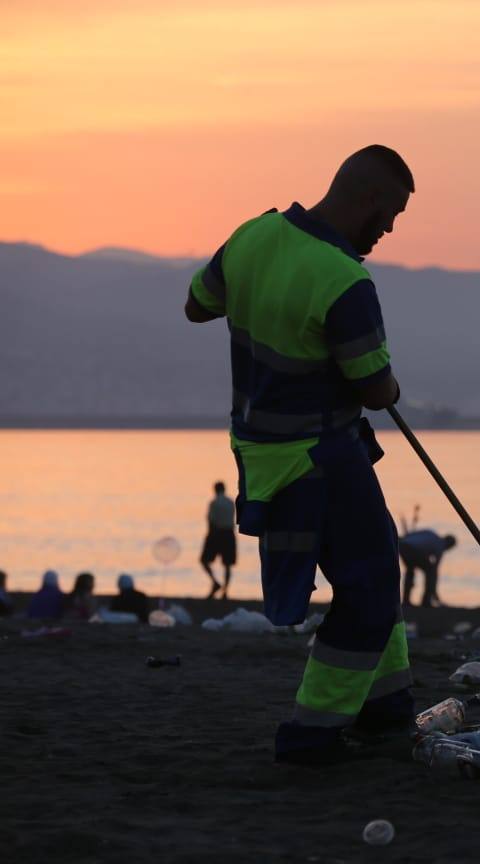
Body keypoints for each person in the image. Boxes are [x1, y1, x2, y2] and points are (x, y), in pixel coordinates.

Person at [185, 145, 414, 765]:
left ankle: (389, 707)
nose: (389, 229)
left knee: (376, 565)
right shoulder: (345, 280)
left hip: (261, 450)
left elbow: (196, 305)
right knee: (367, 589)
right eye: (390, 213)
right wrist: (390, 387)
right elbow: (373, 389)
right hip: (319, 455)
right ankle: (311, 734)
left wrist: (267, 305)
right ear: (366, 198)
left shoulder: (252, 236)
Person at [399, 529, 457, 607]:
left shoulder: (432, 534)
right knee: (430, 571)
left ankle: (406, 601)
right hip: (411, 549)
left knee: (410, 571)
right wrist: (434, 589)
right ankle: (426, 601)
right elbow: (434, 570)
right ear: (449, 545)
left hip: (403, 546)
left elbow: (409, 535)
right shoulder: (440, 545)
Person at [201, 481, 238, 599]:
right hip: (229, 534)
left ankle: (215, 582)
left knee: (204, 560)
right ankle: (225, 591)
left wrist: (209, 536)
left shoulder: (214, 503)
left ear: (215, 490)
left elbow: (211, 520)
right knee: (227, 564)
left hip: (216, 533)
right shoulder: (231, 502)